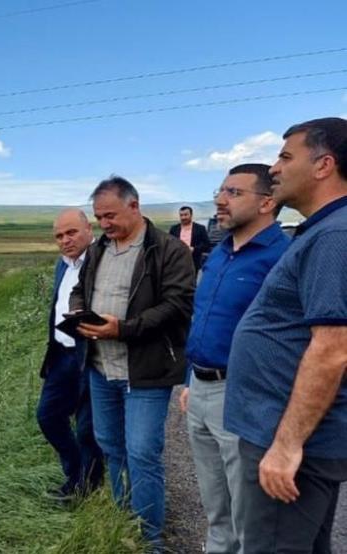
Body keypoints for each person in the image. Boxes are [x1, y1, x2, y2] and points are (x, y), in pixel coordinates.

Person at [225, 117, 347, 553]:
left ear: (323, 165)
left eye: (285, 156)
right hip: (289, 435)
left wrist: (286, 445)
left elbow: (333, 350)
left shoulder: (336, 235)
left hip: (290, 441)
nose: (273, 168)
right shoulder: (323, 230)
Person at [69, 176, 195, 547]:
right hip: (100, 368)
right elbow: (80, 290)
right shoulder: (98, 249)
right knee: (110, 445)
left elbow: (177, 306)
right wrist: (79, 313)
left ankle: (149, 539)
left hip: (145, 372)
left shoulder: (168, 250)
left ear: (135, 206)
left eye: (110, 215)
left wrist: (123, 329)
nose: (104, 224)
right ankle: (122, 522)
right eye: (98, 218)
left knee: (142, 453)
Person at [180, 163, 290, 553]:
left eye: (233, 193)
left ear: (268, 202)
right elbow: (206, 320)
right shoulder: (219, 253)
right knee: (215, 507)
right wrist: (194, 381)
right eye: (220, 191)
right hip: (202, 389)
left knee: (250, 515)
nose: (219, 201)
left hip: (244, 394)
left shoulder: (284, 258)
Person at [37, 208, 103, 501]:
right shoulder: (62, 265)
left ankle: (85, 487)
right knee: (48, 416)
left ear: (89, 229)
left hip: (90, 355)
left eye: (71, 232)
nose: (65, 240)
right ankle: (75, 471)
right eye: (59, 236)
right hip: (61, 356)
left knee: (88, 427)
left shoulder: (103, 259)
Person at [170, 206, 211, 270]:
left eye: (186, 215)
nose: (183, 217)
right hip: (177, 262)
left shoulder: (200, 228)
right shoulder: (174, 229)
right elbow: (169, 244)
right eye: (181, 215)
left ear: (191, 215)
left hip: (193, 262)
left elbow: (207, 245)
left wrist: (194, 249)